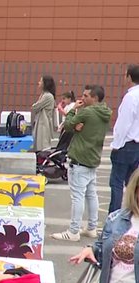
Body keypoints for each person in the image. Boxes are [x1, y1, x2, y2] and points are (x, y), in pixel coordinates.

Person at [51, 84, 112, 241]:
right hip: (93, 157)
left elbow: (69, 125)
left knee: (77, 196)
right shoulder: (105, 112)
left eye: (86, 96)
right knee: (91, 194)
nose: (82, 98)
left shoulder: (87, 113)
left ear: (95, 98)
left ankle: (73, 231)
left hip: (80, 158)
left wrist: (73, 110)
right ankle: (91, 227)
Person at [108, 65, 139, 213]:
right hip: (137, 146)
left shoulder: (130, 97)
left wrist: (116, 145)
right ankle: (133, 216)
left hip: (126, 145)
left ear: (129, 77)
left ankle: (114, 217)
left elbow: (123, 124)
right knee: (133, 184)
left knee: (116, 183)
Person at [31, 75, 56, 152]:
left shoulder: (47, 96)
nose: (39, 82)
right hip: (41, 122)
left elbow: (35, 107)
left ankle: (42, 160)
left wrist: (34, 105)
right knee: (39, 143)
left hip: (43, 124)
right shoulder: (44, 95)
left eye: (41, 81)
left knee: (42, 144)